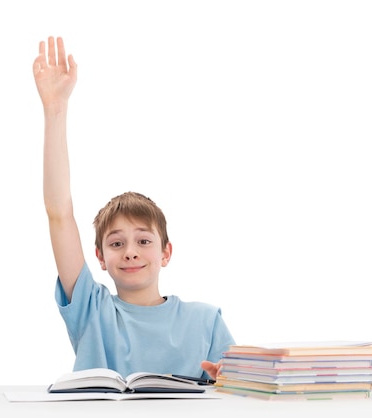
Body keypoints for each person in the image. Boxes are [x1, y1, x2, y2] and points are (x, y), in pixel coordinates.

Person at [33, 36, 234, 380]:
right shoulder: (91, 311)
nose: (130, 252)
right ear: (99, 257)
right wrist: (55, 108)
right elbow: (59, 212)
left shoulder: (205, 320)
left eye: (143, 241)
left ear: (165, 252)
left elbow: (239, 391)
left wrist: (227, 382)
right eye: (116, 243)